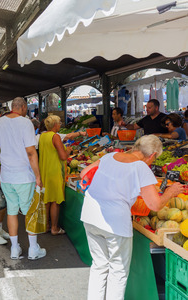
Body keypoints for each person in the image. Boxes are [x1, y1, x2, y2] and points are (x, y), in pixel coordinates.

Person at [80, 135, 184, 299]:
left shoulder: (109, 156)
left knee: (99, 266)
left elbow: (84, 173)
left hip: (90, 214)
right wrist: (170, 193)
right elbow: (155, 205)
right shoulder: (141, 168)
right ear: (152, 156)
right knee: (118, 271)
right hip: (114, 222)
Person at [0, 97, 46, 260]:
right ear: (22, 107)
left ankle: (15, 249)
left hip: (7, 176)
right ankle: (33, 249)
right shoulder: (26, 123)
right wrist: (38, 175)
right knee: (30, 212)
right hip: (24, 176)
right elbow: (31, 152)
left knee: (12, 211)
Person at [39, 115, 71, 235]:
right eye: (59, 123)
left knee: (47, 199)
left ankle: (46, 226)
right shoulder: (55, 136)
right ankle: (54, 228)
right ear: (55, 125)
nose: (60, 125)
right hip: (55, 171)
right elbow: (63, 156)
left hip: (45, 170)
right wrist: (68, 151)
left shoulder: (43, 136)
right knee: (55, 201)